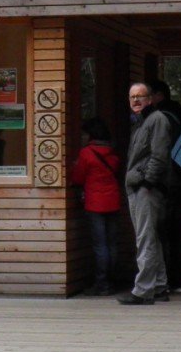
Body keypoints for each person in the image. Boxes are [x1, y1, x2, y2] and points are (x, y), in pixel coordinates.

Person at [118, 82, 175, 306]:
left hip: (146, 188)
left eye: (141, 96)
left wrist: (147, 182)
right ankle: (159, 286)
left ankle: (143, 290)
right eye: (132, 97)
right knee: (149, 236)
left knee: (144, 238)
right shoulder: (140, 122)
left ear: (150, 99)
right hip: (137, 186)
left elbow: (159, 155)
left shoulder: (157, 119)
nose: (136, 101)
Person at [148, 79, 181, 295]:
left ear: (159, 96)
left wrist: (150, 178)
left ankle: (167, 278)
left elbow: (158, 152)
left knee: (164, 232)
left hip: (167, 182)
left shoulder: (160, 118)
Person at [68, 117, 124, 295]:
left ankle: (102, 284)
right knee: (112, 244)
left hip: (95, 203)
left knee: (100, 245)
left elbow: (78, 178)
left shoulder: (86, 153)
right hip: (113, 201)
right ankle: (112, 280)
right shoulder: (113, 152)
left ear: (90, 134)